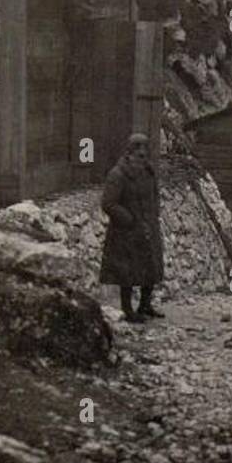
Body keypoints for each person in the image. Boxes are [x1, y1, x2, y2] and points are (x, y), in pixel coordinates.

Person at [99, 132, 165, 323]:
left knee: (151, 268)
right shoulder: (118, 174)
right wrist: (128, 219)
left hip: (147, 228)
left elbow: (154, 195)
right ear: (129, 153)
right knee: (126, 273)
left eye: (145, 154)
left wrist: (153, 216)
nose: (142, 158)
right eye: (138, 154)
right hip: (125, 231)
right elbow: (108, 203)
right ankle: (127, 310)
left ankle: (145, 305)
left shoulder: (148, 172)